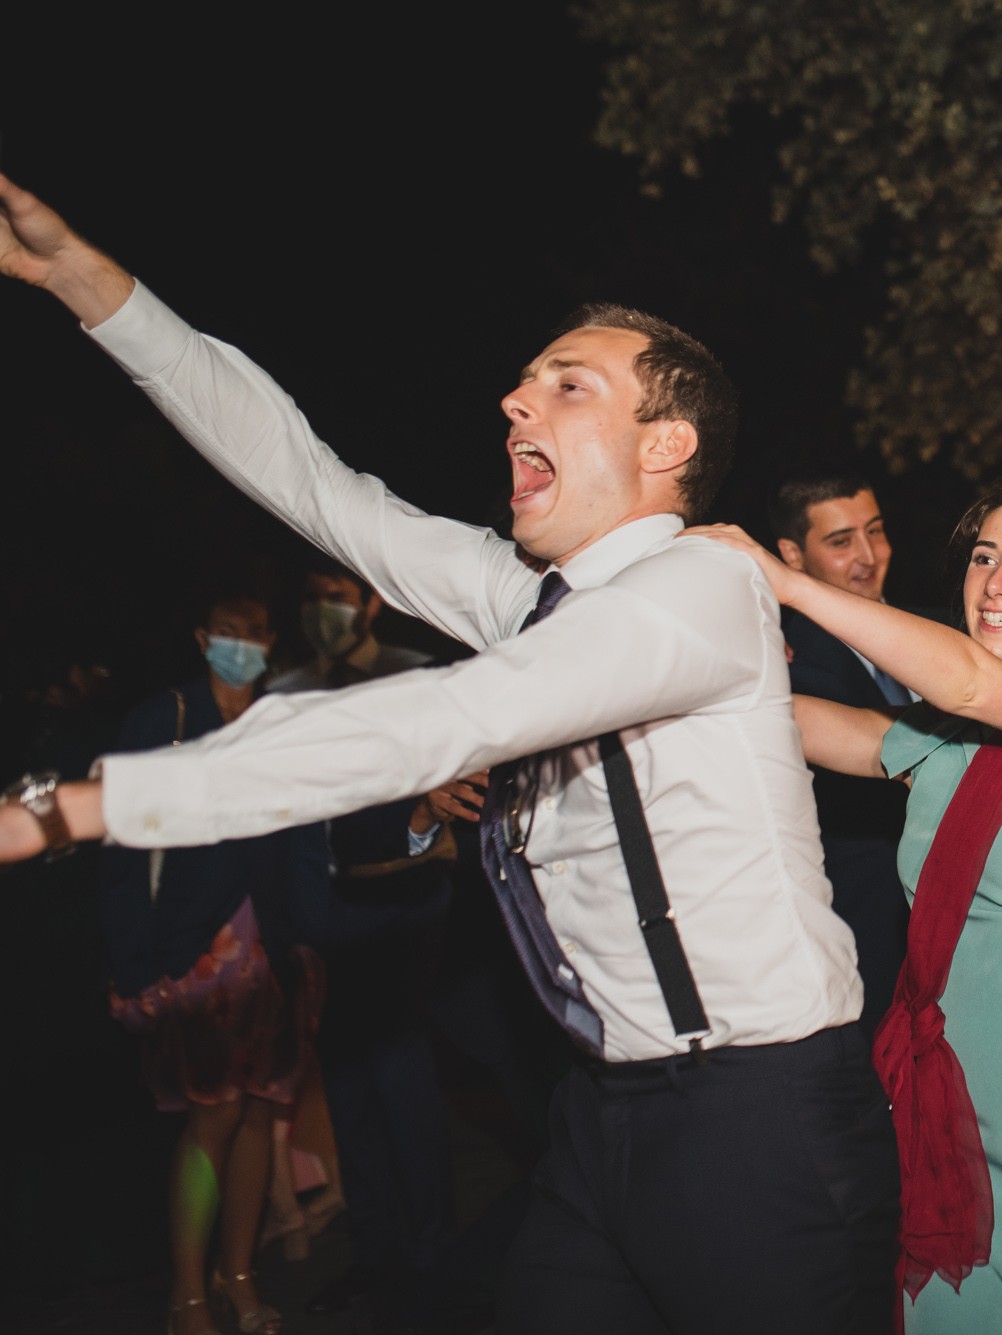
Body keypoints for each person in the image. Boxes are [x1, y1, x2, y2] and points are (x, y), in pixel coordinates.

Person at [0, 175, 898, 1334]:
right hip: (601, 1111)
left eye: (567, 385)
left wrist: (74, 807)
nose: (516, 400)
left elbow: (442, 717)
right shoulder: (530, 599)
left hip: (758, 1117)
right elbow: (309, 482)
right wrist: (80, 278)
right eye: (525, 382)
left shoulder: (702, 586)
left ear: (665, 444)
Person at [692, 474, 1002, 1334]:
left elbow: (969, 683)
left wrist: (793, 582)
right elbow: (794, 719)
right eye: (986, 557)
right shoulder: (935, 738)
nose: (998, 582)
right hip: (950, 1101)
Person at [97, 591, 329, 1335]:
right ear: (203, 639)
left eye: (256, 633)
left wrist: (307, 936)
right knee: (212, 1118)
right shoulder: (160, 719)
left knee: (262, 1110)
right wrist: (135, 965)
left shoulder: (279, 717)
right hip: (194, 948)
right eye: (229, 633)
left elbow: (304, 835)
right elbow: (123, 852)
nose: (243, 645)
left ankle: (238, 1276)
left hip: (274, 946)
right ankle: (188, 1292)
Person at [267, 562, 458, 1319]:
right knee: (349, 1096)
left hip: (396, 912)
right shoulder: (287, 694)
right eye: (312, 600)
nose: (324, 613)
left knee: (402, 1090)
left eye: (338, 599)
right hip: (321, 920)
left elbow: (433, 800)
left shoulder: (411, 680)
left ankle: (435, 1263)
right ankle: (376, 1257)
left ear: (372, 602)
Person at [769, 472, 914, 1031]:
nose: (868, 556)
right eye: (840, 541)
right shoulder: (781, 661)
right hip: (860, 943)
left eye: (875, 532)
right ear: (791, 555)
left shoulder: (945, 634)